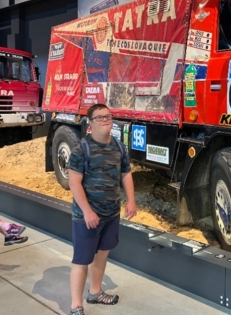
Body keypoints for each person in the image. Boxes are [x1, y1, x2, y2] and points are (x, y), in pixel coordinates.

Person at [68, 103, 137, 315]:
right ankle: (75, 306)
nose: (105, 120)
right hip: (86, 217)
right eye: (99, 117)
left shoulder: (119, 146)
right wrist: (88, 211)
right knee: (81, 260)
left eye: (108, 116)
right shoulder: (81, 150)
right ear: (91, 124)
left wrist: (131, 201)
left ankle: (95, 292)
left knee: (102, 256)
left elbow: (125, 173)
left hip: (111, 214)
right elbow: (74, 183)